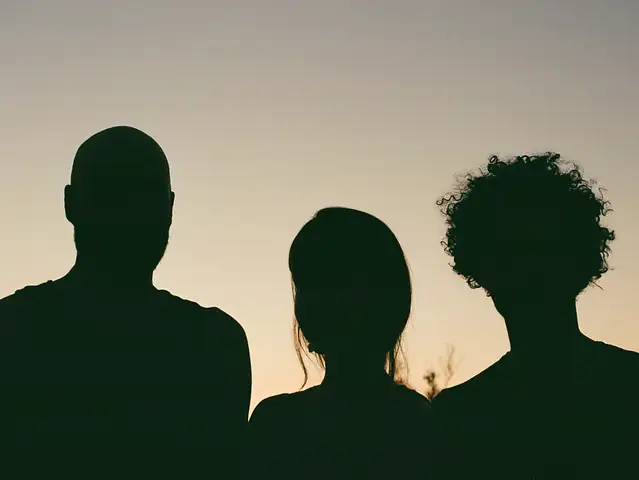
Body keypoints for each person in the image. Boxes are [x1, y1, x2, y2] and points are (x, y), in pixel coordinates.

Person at [0, 126, 251, 478]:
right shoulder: (213, 343)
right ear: (70, 204)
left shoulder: (13, 327)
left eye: (144, 195)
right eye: (112, 193)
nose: (130, 213)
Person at [432, 153, 639, 479]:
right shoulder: (457, 415)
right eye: (508, 253)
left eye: (541, 249)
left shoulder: (462, 413)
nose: (527, 272)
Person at [249, 207, 434, 479]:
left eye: (333, 281)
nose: (317, 299)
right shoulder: (423, 421)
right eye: (306, 283)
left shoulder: (277, 422)